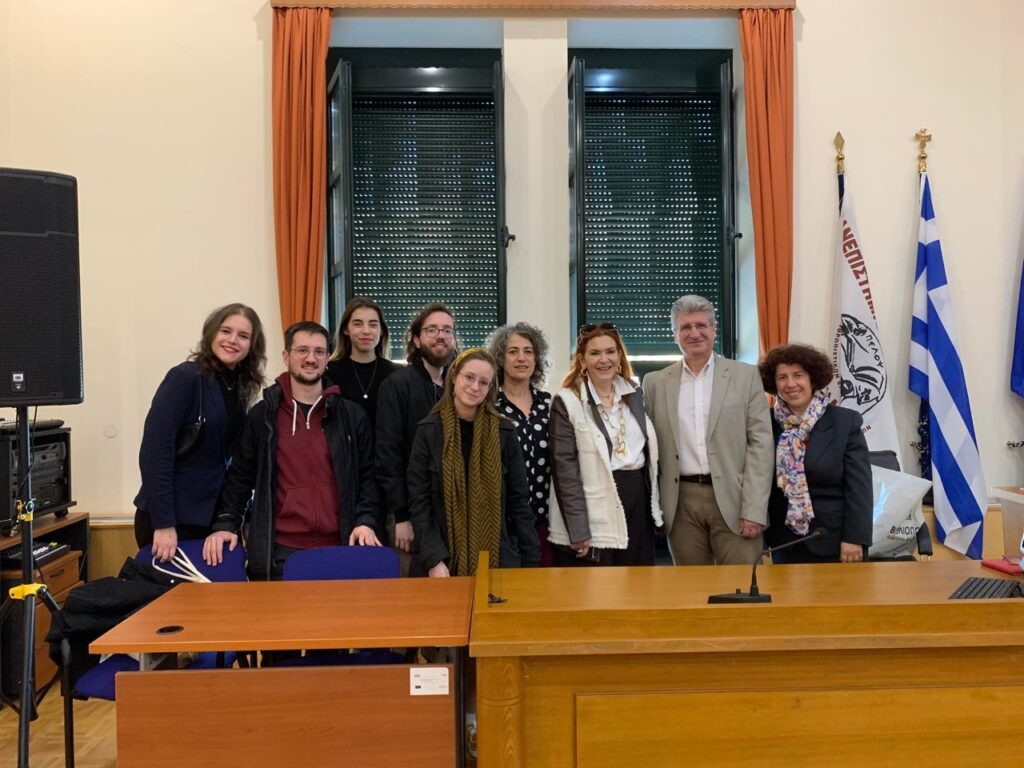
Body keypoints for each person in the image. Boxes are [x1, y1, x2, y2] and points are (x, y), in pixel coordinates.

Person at [203, 321, 381, 580]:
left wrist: (365, 520)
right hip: (281, 553)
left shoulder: (352, 416)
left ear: (327, 358)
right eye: (302, 350)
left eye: (319, 351)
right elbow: (240, 477)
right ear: (286, 357)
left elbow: (368, 477)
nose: (311, 358)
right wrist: (226, 524)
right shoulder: (263, 416)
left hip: (341, 547)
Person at [642, 294, 774, 565]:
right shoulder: (655, 383)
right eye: (685, 327)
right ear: (674, 334)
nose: (694, 333)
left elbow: (761, 446)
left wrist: (754, 509)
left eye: (701, 325)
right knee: (692, 586)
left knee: (741, 585)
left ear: (714, 329)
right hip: (680, 502)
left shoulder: (746, 376)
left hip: (735, 498)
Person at [134, 303, 266, 562]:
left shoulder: (240, 388)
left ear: (252, 345)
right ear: (211, 333)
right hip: (171, 522)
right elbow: (155, 453)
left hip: (214, 522)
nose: (232, 340)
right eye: (225, 331)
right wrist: (164, 523)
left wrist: (243, 517)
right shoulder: (185, 378)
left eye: (243, 336)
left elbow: (233, 462)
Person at [408, 348, 539, 576]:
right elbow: (420, 502)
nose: (475, 387)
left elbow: (519, 502)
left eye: (483, 382)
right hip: (441, 561)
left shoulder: (505, 432)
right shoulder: (428, 432)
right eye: (469, 377)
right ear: (454, 377)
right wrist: (434, 559)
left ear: (490, 389)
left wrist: (530, 560)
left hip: (499, 558)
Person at [548, 323, 662, 567]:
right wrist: (578, 529)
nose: (604, 360)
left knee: (639, 582)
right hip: (596, 507)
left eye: (610, 351)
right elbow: (565, 471)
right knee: (601, 585)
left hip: (638, 499)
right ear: (582, 360)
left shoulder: (634, 393)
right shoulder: (567, 401)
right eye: (595, 353)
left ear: (619, 355)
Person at [758, 343, 872, 563]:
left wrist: (855, 538)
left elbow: (860, 487)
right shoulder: (764, 422)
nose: (791, 384)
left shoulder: (844, 422)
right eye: (782, 377)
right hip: (784, 541)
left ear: (813, 378)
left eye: (798, 375)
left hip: (836, 540)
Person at [376, 303, 458, 571]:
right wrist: (401, 516)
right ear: (416, 339)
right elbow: (388, 453)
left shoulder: (460, 386)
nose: (440, 336)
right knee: (412, 587)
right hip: (408, 515)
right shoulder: (397, 385)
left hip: (450, 512)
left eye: (447, 330)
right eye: (432, 330)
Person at [486, 322, 555, 566]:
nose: (521, 358)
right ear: (500, 358)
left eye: (528, 351)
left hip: (546, 519)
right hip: (504, 522)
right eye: (513, 351)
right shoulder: (490, 406)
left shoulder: (550, 404)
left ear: (537, 359)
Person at [326, 296, 400, 426]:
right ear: (346, 329)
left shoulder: (397, 374)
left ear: (381, 330)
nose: (366, 331)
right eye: (358, 324)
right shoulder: (330, 373)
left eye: (373, 325)